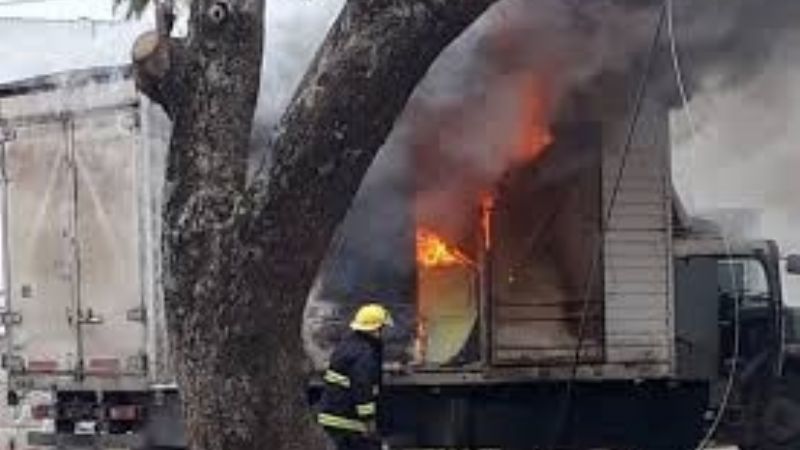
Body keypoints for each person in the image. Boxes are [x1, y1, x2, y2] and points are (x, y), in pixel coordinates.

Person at [317, 303, 392, 450]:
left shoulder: (348, 344)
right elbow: (362, 387)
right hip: (347, 421)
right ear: (375, 329)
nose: (383, 333)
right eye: (382, 328)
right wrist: (369, 419)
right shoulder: (364, 354)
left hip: (334, 417)